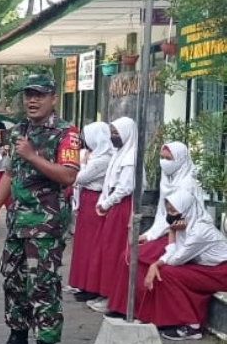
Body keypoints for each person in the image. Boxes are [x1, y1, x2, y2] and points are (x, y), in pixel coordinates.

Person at [0, 75, 80, 344]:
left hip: (45, 224)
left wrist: (33, 156)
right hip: (18, 222)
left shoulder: (66, 133)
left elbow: (67, 176)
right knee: (13, 280)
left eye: (39, 95)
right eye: (28, 95)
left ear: (53, 98)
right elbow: (10, 174)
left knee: (42, 286)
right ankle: (18, 341)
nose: (32, 101)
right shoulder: (19, 131)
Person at [106, 140, 207, 318]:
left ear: (181, 160)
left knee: (136, 256)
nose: (164, 162)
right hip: (165, 232)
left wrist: (154, 235)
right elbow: (163, 214)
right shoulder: (167, 179)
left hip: (182, 236)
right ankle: (125, 307)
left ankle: (138, 309)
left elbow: (179, 220)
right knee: (130, 253)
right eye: (162, 157)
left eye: (168, 158)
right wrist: (150, 234)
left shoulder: (188, 185)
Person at [135, 189, 227, 340]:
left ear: (186, 209)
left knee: (168, 272)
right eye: (168, 211)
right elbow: (175, 253)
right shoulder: (187, 225)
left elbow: (175, 259)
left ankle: (192, 325)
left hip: (221, 272)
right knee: (167, 271)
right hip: (211, 269)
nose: (171, 215)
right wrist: (157, 263)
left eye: (173, 211)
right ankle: (169, 318)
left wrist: (171, 233)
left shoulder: (200, 230)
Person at [86, 117, 137, 314]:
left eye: (117, 133)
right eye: (112, 133)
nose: (113, 137)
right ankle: (107, 293)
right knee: (108, 250)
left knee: (115, 251)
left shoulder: (130, 158)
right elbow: (110, 182)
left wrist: (107, 202)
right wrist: (104, 201)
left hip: (122, 207)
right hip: (113, 206)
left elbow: (124, 187)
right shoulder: (119, 153)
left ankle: (114, 298)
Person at [67, 122, 114, 303]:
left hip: (95, 201)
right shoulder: (94, 156)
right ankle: (82, 282)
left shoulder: (103, 159)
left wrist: (83, 164)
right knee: (83, 244)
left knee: (92, 246)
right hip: (87, 200)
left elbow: (79, 177)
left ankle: (91, 285)